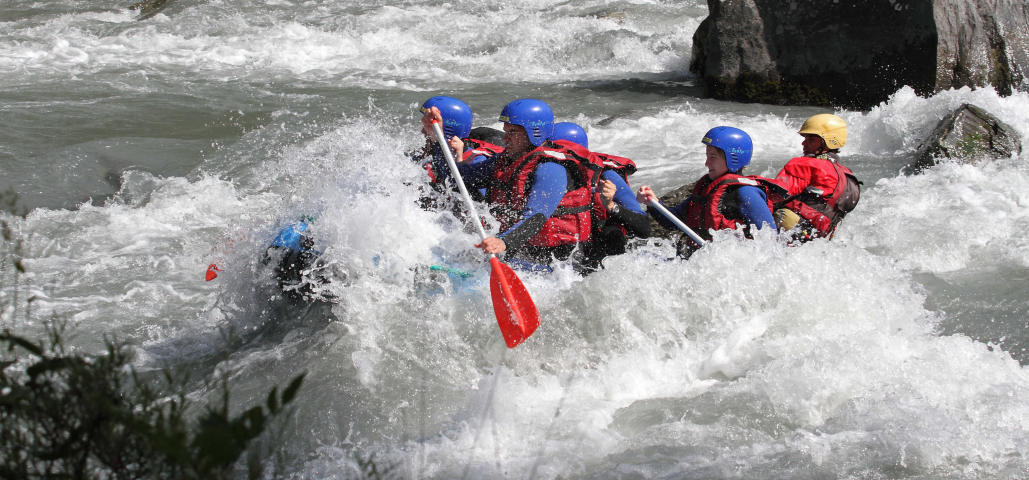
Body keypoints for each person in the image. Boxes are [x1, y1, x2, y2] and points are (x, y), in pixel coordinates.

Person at [440, 99, 599, 271]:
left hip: (561, 264)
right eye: (505, 131)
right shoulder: (505, 161)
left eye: (513, 132)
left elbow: (536, 217)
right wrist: (437, 138)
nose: (505, 138)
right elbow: (459, 178)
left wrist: (503, 241)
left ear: (534, 133)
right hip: (521, 251)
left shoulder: (551, 169)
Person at [636, 126, 777, 257]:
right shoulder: (706, 189)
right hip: (701, 262)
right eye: (707, 156)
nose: (706, 163)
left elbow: (769, 241)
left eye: (713, 157)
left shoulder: (747, 193)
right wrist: (653, 202)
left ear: (733, 158)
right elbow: (674, 222)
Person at [549, 122, 650, 271]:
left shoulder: (606, 176)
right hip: (562, 254)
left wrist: (610, 205)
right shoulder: (545, 175)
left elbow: (644, 228)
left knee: (612, 234)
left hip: (601, 253)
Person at [770, 113, 861, 242]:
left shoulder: (806, 164)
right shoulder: (847, 174)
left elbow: (773, 197)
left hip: (790, 230)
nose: (803, 143)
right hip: (820, 239)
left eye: (811, 139)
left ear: (827, 143)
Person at [412, 96, 503, 201]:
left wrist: (440, 140)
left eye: (428, 127)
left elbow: (477, 203)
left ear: (447, 130)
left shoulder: (476, 160)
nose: (422, 131)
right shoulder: (431, 152)